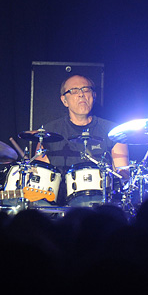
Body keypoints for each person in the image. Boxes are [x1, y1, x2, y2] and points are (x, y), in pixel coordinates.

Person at [35, 74, 129, 206]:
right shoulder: (48, 132)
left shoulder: (114, 131)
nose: (81, 94)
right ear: (64, 100)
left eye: (86, 89)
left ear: (94, 96)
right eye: (74, 91)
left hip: (103, 205)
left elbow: (123, 174)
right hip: (60, 207)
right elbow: (40, 176)